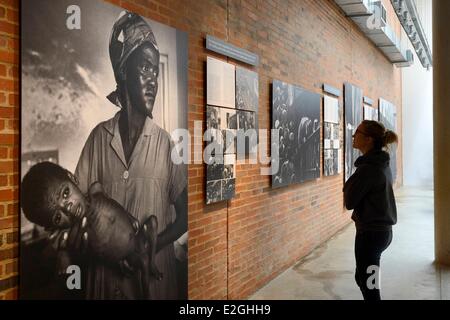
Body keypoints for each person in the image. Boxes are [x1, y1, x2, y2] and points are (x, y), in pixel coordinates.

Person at [51, 11, 187, 299]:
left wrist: (149, 247)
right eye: (145, 68)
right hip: (104, 286)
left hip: (152, 285)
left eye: (156, 72)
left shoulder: (166, 145)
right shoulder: (99, 139)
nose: (153, 80)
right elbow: (73, 207)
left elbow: (186, 216)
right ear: (124, 72)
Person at [21, 161, 162, 298]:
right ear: (52, 227)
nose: (68, 208)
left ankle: (152, 267)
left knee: (153, 225)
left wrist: (130, 218)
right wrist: (66, 259)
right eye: (58, 217)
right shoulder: (72, 238)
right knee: (143, 266)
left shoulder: (96, 192)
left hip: (136, 242)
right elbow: (65, 256)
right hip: (117, 269)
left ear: (72, 178)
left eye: (65, 193)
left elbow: (115, 207)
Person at [343, 120, 398, 300]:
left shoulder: (368, 169)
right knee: (364, 278)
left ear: (368, 139)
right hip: (380, 233)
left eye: (357, 132)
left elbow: (349, 201)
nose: (353, 135)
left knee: (370, 286)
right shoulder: (381, 163)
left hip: (371, 236)